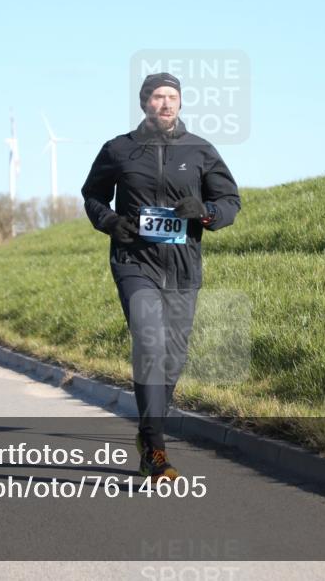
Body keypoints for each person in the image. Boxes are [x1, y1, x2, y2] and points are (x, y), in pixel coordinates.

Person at [82, 72, 241, 481]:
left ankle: (148, 433)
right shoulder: (119, 149)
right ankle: (155, 448)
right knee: (150, 344)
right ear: (144, 103)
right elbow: (93, 195)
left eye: (172, 97)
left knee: (173, 356)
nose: (166, 104)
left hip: (184, 265)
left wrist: (205, 212)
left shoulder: (200, 151)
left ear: (181, 103)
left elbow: (229, 201)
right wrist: (111, 222)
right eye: (157, 97)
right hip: (134, 261)